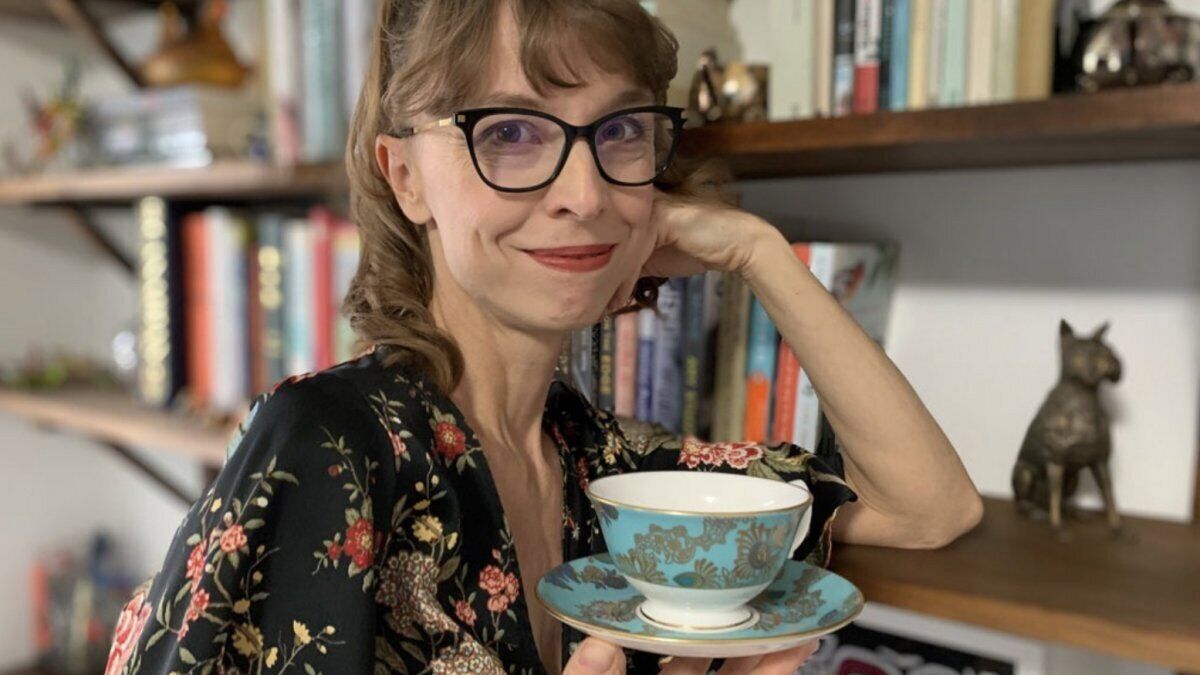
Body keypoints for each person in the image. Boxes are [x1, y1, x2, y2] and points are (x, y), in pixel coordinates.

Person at [104, 1, 983, 673]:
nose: (586, 194)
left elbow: (929, 507)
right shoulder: (332, 446)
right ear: (405, 176)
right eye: (512, 133)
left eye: (620, 131)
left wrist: (756, 251)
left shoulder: (606, 466)